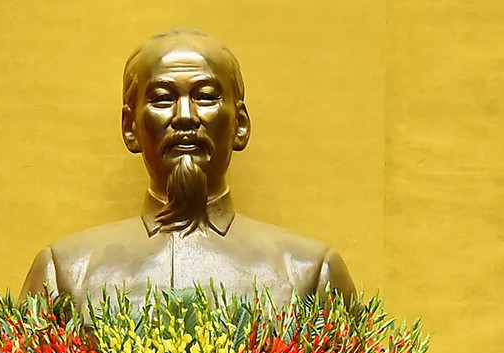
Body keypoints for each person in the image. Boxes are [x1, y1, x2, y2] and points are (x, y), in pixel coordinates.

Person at [21, 30, 356, 304]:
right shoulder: (66, 273)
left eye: (206, 96)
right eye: (163, 98)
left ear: (240, 124)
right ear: (129, 127)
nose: (184, 117)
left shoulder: (308, 273)